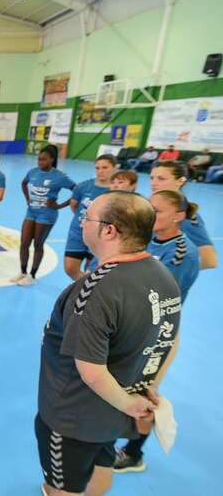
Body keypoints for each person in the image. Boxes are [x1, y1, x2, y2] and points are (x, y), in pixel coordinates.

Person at [36, 191, 181, 496]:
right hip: (111, 415)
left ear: (109, 230)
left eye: (87, 217)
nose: (81, 221)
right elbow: (171, 338)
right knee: (101, 468)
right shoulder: (163, 275)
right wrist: (145, 387)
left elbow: (91, 372)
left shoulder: (96, 289)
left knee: (61, 487)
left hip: (74, 417)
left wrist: (130, 403)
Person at [112, 190, 199, 474]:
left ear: (178, 216)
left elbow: (161, 299)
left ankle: (134, 453)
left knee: (144, 393)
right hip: (134, 326)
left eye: (158, 210)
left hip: (157, 333)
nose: (151, 214)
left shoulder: (182, 254)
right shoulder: (149, 239)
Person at [12, 145, 75, 286]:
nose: (40, 162)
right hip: (31, 211)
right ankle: (23, 272)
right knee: (24, 243)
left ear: (51, 160)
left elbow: (77, 190)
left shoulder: (59, 176)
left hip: (46, 215)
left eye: (44, 160)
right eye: (39, 159)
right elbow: (24, 183)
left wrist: (59, 205)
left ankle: (32, 275)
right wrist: (27, 199)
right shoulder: (33, 172)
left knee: (38, 244)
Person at [150, 161, 218, 269]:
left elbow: (209, 260)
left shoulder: (185, 216)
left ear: (180, 181)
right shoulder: (150, 205)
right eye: (152, 178)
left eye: (161, 179)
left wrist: (167, 272)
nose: (153, 183)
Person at [63, 155, 116, 280]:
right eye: (97, 168)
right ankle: (84, 287)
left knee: (91, 273)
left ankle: (88, 293)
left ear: (114, 168)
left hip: (100, 237)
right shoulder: (83, 186)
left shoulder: (115, 191)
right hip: (78, 233)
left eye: (105, 167)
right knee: (70, 268)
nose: (100, 171)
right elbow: (74, 207)